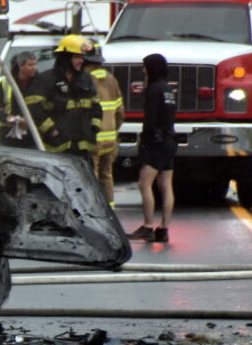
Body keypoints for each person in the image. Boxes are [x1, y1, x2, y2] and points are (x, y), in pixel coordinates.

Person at [129, 53, 177, 243]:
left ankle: (148, 226)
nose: (143, 70)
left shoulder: (153, 90)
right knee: (166, 185)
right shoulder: (168, 90)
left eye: (145, 66)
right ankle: (164, 229)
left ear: (152, 69)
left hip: (155, 141)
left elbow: (150, 119)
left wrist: (145, 141)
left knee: (144, 183)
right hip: (170, 139)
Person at [31, 35, 102, 157]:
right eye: (77, 57)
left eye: (82, 57)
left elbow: (96, 107)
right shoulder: (46, 79)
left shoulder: (86, 79)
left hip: (83, 147)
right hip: (57, 148)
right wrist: (51, 130)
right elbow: (33, 108)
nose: (81, 61)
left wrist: (93, 128)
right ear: (65, 58)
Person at [85, 44, 124, 207]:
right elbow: (120, 112)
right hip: (110, 139)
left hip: (93, 139)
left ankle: (94, 211)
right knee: (106, 176)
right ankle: (110, 210)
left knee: (91, 177)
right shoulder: (111, 79)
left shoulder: (85, 80)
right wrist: (114, 131)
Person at [0, 52, 42, 148]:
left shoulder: (41, 82)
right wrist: (8, 118)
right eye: (30, 65)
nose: (34, 68)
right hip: (8, 135)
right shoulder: (5, 83)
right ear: (19, 67)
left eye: (35, 64)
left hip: (34, 134)